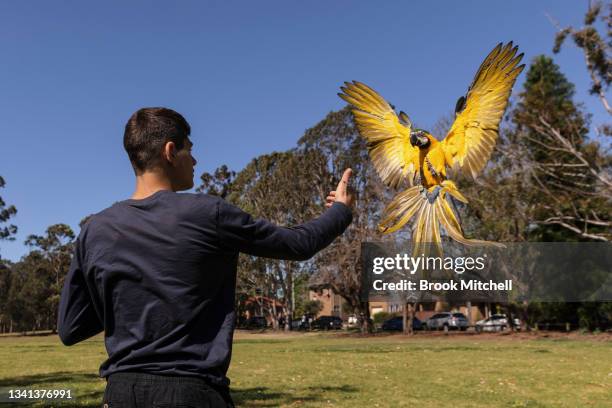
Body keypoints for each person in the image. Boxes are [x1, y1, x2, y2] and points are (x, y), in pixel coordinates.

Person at [57, 107, 354, 407]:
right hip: (191, 392)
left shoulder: (95, 230)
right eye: (190, 149)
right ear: (170, 151)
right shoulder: (208, 214)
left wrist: (126, 299)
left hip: (120, 394)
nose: (195, 160)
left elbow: (70, 329)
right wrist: (341, 211)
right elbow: (298, 244)